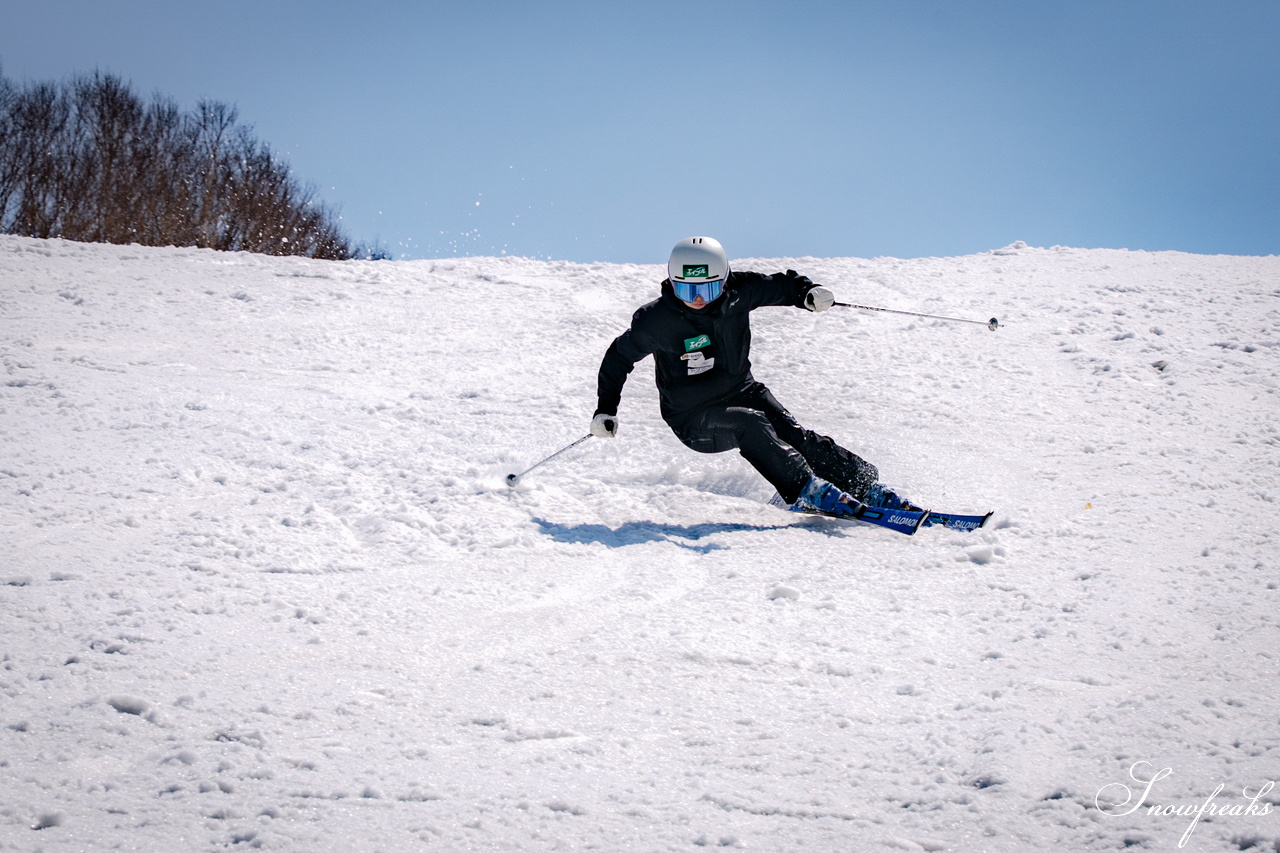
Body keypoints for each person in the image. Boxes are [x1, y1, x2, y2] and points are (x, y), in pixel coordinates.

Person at [591, 236, 919, 518]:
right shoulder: (656, 320)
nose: (698, 300)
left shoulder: (740, 291)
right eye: (687, 291)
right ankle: (806, 491)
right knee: (750, 423)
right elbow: (618, 358)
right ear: (672, 283)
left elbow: (782, 286)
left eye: (707, 288)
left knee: (795, 436)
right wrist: (606, 409)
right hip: (693, 418)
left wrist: (808, 292)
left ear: (724, 280)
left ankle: (866, 487)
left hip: (742, 391)